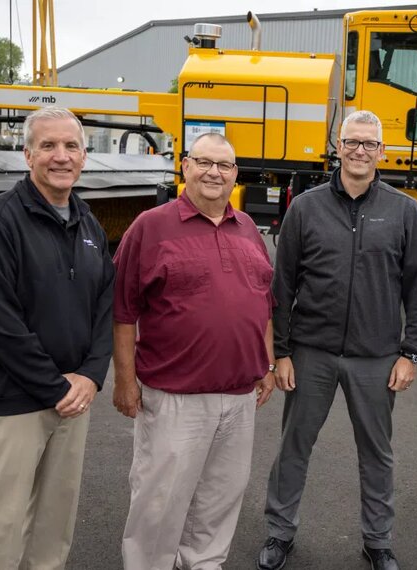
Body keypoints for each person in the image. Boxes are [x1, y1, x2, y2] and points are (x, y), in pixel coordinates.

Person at [257, 110, 417, 570]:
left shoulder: (403, 210)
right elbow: (282, 285)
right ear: (338, 146)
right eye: (352, 141)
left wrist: (411, 352)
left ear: (382, 151)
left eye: (369, 143)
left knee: (377, 454)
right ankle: (279, 532)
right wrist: (281, 352)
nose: (360, 150)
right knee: (294, 446)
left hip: (376, 358)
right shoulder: (305, 207)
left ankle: (378, 541)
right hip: (310, 353)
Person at [0, 106, 115, 569]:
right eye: (48, 146)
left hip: (72, 401)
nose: (60, 156)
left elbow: (105, 306)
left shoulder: (88, 224)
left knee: (53, 526)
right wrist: (56, 386)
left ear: (83, 156)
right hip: (12, 402)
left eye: (71, 146)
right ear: (27, 155)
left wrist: (91, 375)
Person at [112, 132, 276, 570]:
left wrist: (267, 364)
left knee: (220, 497)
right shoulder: (150, 226)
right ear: (185, 166)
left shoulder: (248, 229)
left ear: (235, 174)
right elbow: (123, 311)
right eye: (204, 162)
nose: (213, 173)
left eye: (223, 166)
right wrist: (125, 382)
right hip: (174, 396)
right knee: (159, 500)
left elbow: (264, 302)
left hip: (239, 397)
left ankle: (204, 563)